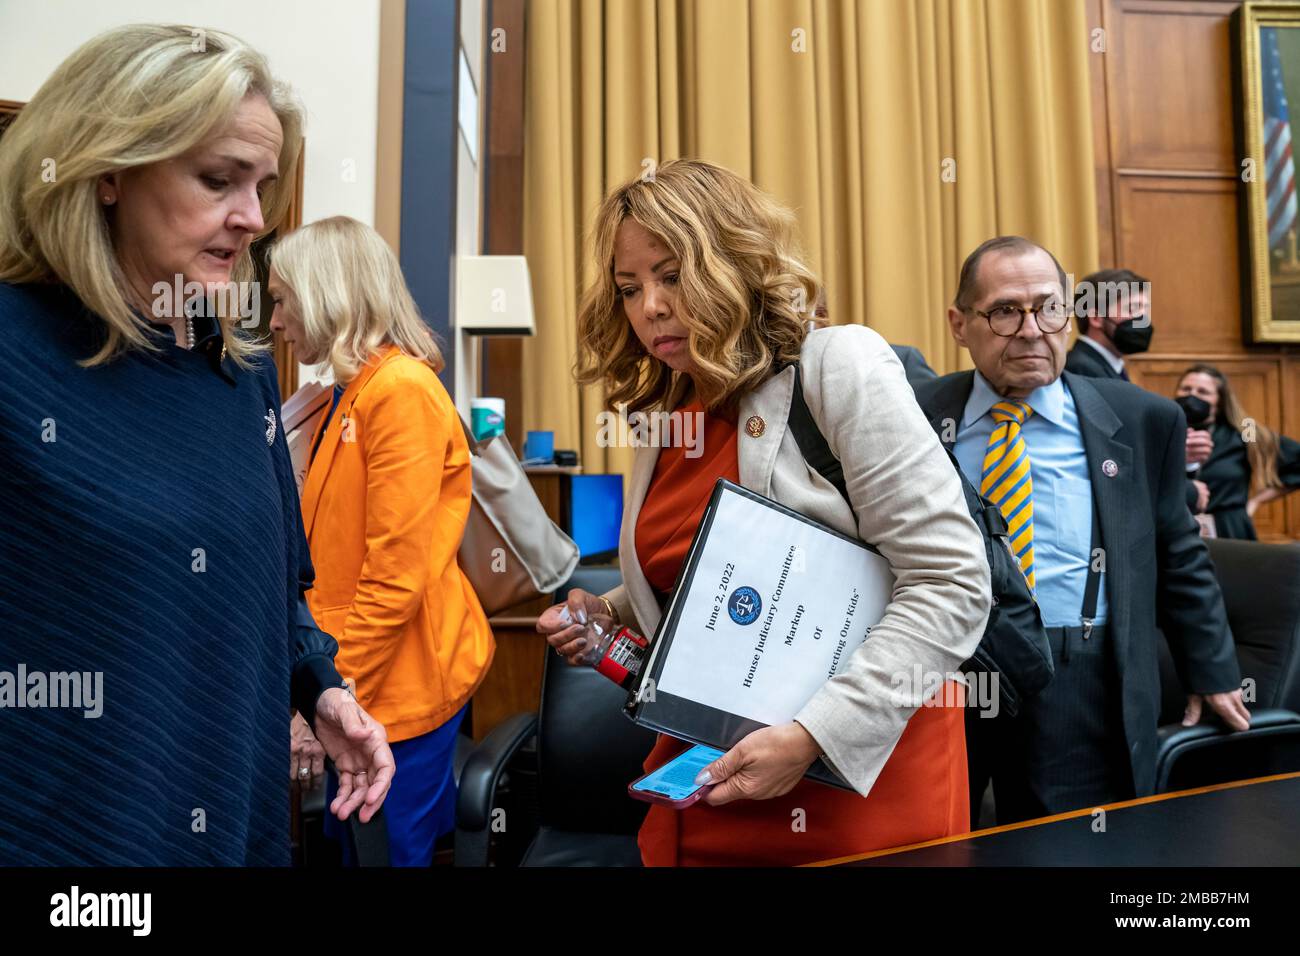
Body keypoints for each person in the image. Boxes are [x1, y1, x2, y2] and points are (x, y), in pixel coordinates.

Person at [0, 24, 393, 865]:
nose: (254, 218)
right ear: (109, 170)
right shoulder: (14, 353)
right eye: (219, 180)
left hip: (235, 825)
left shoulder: (236, 363)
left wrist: (318, 689)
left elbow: (279, 590)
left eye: (264, 186)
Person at [538, 160, 991, 866]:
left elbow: (952, 584)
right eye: (630, 289)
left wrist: (814, 733)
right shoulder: (666, 412)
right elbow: (716, 564)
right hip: (712, 775)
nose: (650, 306)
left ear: (733, 263)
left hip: (857, 783)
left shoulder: (839, 367)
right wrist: (614, 611)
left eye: (672, 275)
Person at [913, 236, 1249, 823]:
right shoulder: (913, 414)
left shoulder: (1143, 420)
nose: (1031, 329)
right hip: (940, 671)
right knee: (938, 838)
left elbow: (1178, 551)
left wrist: (1211, 671)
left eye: (1049, 307)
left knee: (1069, 846)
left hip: (1077, 673)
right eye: (1004, 311)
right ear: (958, 324)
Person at [269, 216, 494, 865]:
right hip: (363, 683)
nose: (277, 322)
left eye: (284, 300)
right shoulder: (347, 394)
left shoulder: (399, 393)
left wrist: (328, 697)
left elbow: (394, 578)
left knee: (386, 855)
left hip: (398, 689)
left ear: (326, 295)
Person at [1176, 364, 1300, 540]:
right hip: (1178, 528)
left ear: (1220, 400)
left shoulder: (1245, 431)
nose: (1192, 396)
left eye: (1203, 391)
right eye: (1186, 388)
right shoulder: (1164, 431)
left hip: (1229, 529)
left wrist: (1256, 501)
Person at [1065, 267, 1151, 381]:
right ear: (1096, 318)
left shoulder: (1110, 364)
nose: (1143, 318)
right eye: (1133, 308)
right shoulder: (1081, 369)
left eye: (1145, 309)